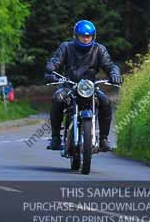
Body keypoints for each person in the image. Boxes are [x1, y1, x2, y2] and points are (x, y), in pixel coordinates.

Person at [44, 20, 122, 152]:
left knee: (105, 101)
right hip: (69, 85)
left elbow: (110, 65)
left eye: (88, 36)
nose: (86, 39)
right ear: (76, 36)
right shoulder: (66, 47)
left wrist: (115, 73)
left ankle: (103, 139)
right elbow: (55, 61)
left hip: (90, 87)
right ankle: (56, 138)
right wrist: (51, 68)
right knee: (58, 98)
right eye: (82, 36)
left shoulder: (99, 49)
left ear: (93, 36)